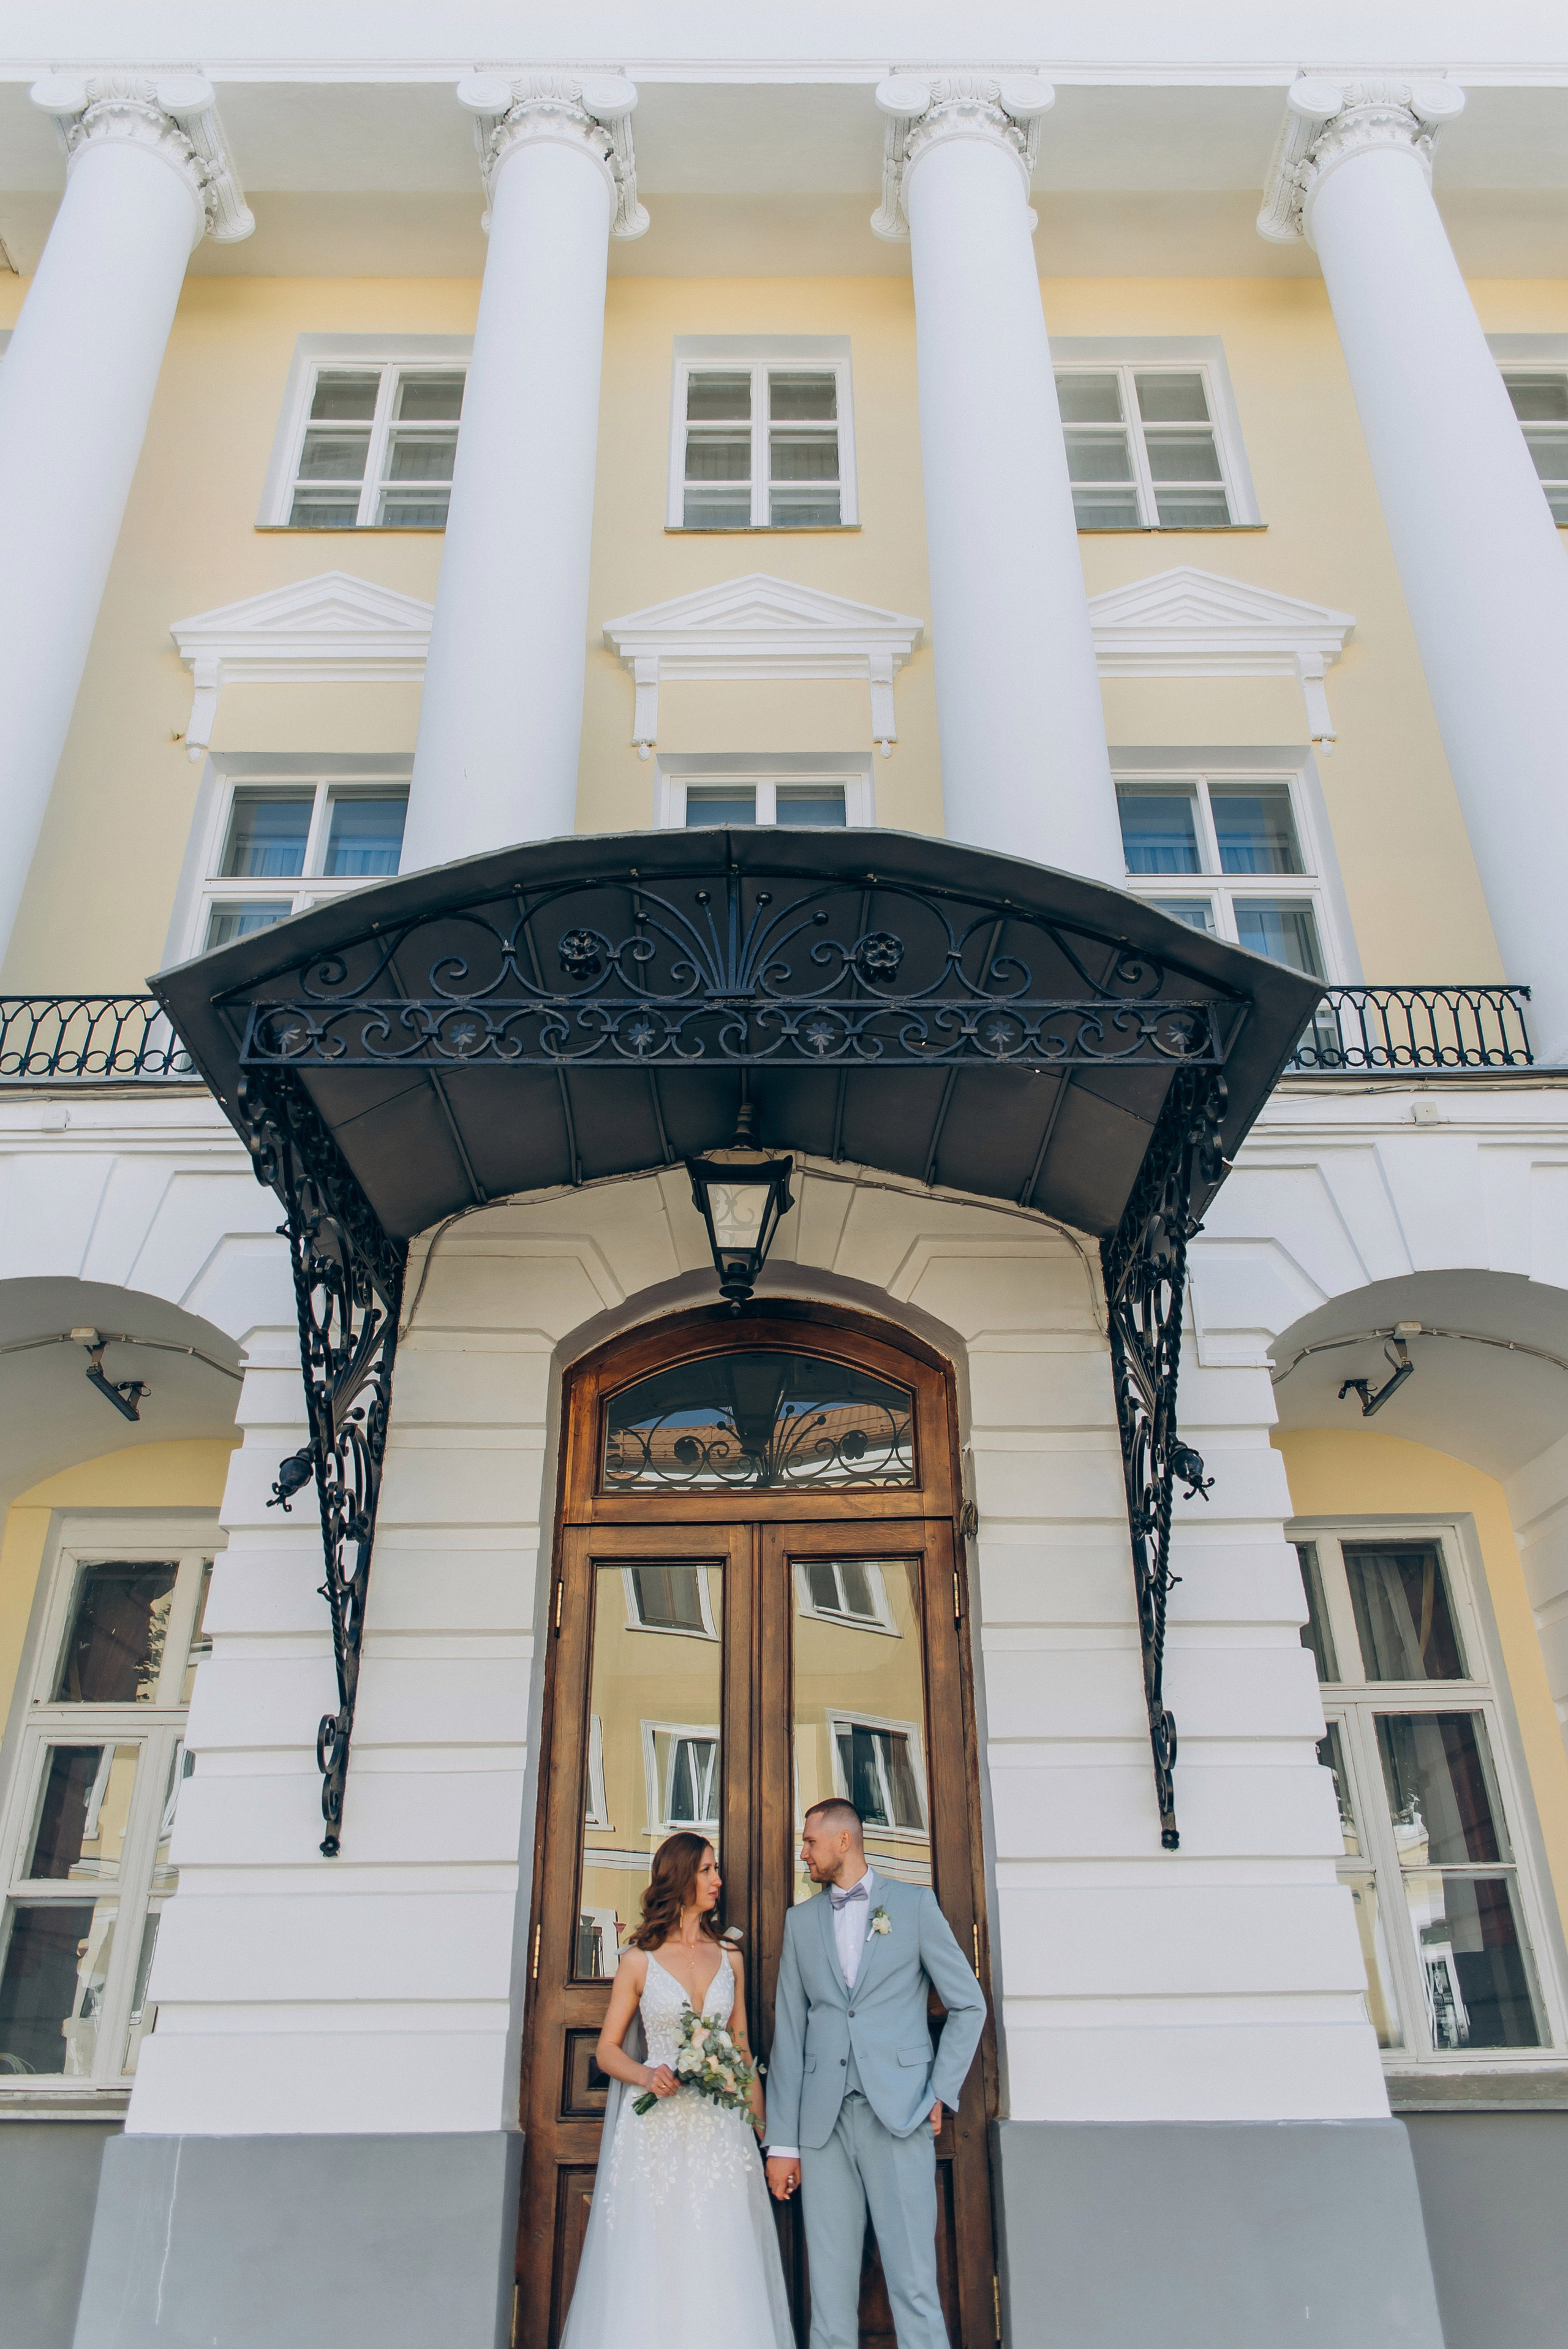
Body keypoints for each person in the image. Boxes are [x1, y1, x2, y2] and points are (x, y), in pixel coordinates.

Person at [764, 1799, 986, 2349]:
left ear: (844, 1841)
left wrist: (940, 2091)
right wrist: (782, 2143)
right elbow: (789, 2035)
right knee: (830, 2299)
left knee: (914, 2287)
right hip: (822, 2125)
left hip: (900, 2116)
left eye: (811, 1841)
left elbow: (968, 2005)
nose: (804, 1853)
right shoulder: (800, 1922)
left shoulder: (913, 1907)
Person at [561, 1831, 794, 2349]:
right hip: (658, 2132)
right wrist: (648, 2075)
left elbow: (740, 2050)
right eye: (708, 1869)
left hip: (719, 2130)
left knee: (719, 2251)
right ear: (681, 1877)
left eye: (717, 1870)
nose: (718, 1879)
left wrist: (767, 2138)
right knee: (657, 2255)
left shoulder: (729, 1956)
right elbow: (606, 2051)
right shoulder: (638, 1960)